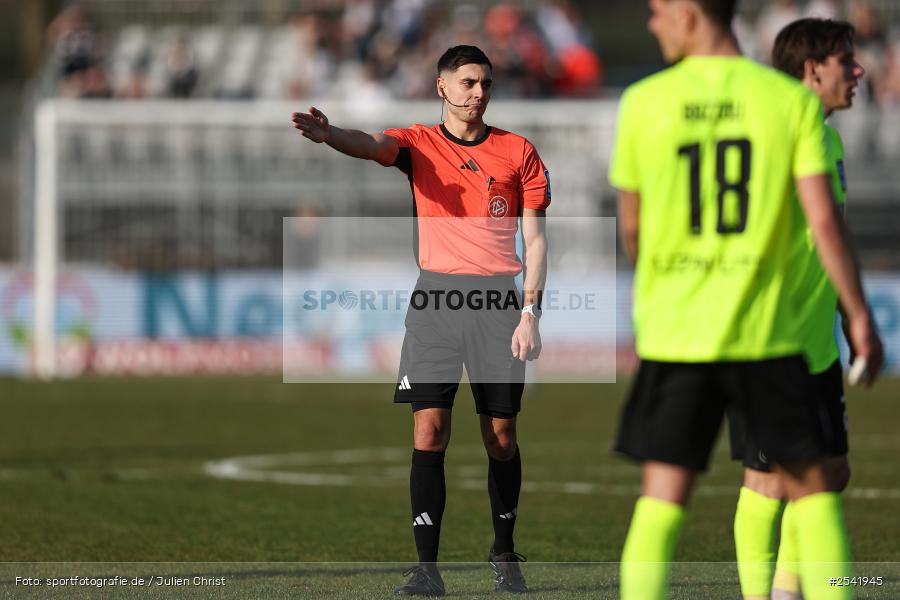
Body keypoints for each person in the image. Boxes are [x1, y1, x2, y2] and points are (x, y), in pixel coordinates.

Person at [608, 1, 883, 599]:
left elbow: (632, 229)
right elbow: (823, 222)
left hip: (678, 331)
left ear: (687, 13)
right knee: (812, 490)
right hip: (767, 330)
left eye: (657, 11)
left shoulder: (643, 102)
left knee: (662, 498)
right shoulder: (784, 102)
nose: (653, 23)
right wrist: (859, 313)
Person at [291, 45, 550, 596]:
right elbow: (372, 145)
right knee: (429, 430)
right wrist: (331, 134)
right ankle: (427, 570)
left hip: (498, 304)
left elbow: (536, 237)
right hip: (435, 301)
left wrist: (530, 311)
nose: (478, 92)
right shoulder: (418, 144)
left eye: (484, 83)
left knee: (500, 435)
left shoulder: (518, 152)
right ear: (442, 87)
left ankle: (504, 552)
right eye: (467, 82)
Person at [730, 18, 866, 600]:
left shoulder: (827, 138)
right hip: (767, 339)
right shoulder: (772, 129)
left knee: (831, 474)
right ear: (812, 69)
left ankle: (788, 592)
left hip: (814, 340)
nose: (859, 70)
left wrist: (847, 314)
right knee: (769, 480)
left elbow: (824, 237)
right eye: (845, 60)